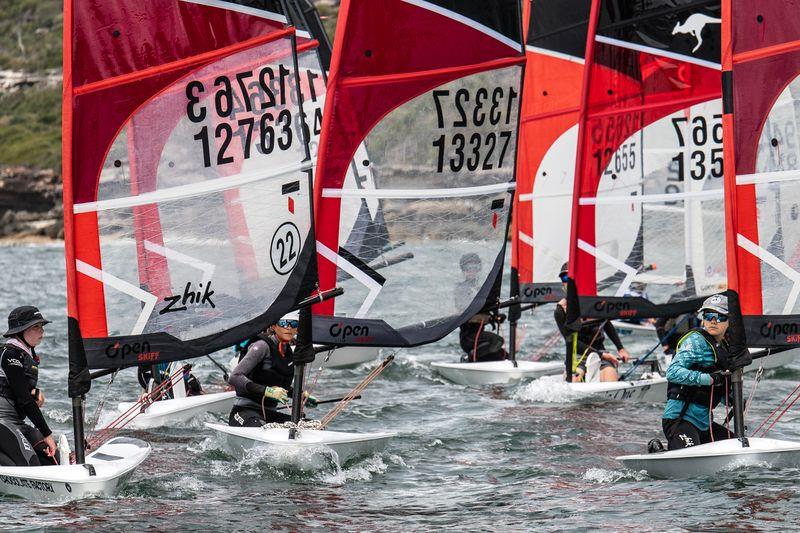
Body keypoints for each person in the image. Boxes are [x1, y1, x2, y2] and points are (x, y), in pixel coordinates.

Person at [661, 293, 733, 450]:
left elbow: (720, 385)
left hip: (704, 423)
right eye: (709, 315)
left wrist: (734, 398)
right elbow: (672, 372)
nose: (713, 321)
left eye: (720, 316)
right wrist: (708, 379)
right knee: (689, 466)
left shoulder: (725, 347)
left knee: (738, 446)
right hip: (680, 419)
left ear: (730, 320)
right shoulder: (696, 341)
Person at [227, 311, 317, 427]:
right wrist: (268, 391)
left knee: (310, 426)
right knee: (259, 427)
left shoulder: (288, 351)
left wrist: (300, 395)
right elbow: (234, 377)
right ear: (274, 326)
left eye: (294, 324)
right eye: (284, 323)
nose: (289, 328)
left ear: (297, 329)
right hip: (244, 411)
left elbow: (279, 386)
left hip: (269, 413)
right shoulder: (262, 346)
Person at [0, 306, 58, 466]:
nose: (42, 332)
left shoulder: (24, 355)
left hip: (17, 423)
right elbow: (24, 400)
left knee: (54, 459)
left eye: (42, 327)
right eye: (36, 327)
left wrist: (35, 393)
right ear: (20, 331)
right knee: (32, 465)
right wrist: (47, 434)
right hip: (2, 422)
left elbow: (19, 391)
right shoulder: (9, 355)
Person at [554, 263, 630, 382]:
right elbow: (574, 342)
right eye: (564, 278)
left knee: (610, 378)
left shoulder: (596, 304)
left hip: (600, 352)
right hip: (577, 357)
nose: (567, 281)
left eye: (570, 278)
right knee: (574, 382)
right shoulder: (560, 310)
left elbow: (607, 324)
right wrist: (602, 355)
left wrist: (620, 349)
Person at [454, 253, 507, 363]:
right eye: (468, 268)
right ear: (463, 270)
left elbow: (484, 310)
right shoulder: (461, 289)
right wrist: (488, 318)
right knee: (497, 341)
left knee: (505, 356)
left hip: (481, 340)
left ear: (479, 269)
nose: (472, 271)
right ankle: (469, 358)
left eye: (475, 267)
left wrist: (494, 317)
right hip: (469, 338)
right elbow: (464, 314)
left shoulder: (481, 288)